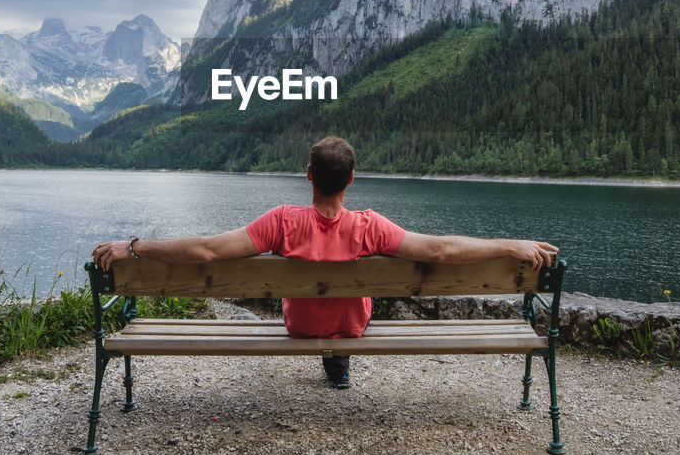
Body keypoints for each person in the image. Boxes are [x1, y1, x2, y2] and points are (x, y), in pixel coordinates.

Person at [92, 135, 557, 389]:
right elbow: (440, 251)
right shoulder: (371, 226)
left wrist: (135, 247)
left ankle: (330, 353)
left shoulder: (281, 221)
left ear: (309, 175)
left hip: (298, 326)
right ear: (351, 180)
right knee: (351, 305)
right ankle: (338, 361)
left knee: (307, 301)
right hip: (352, 326)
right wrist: (508, 244)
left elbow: (208, 251)